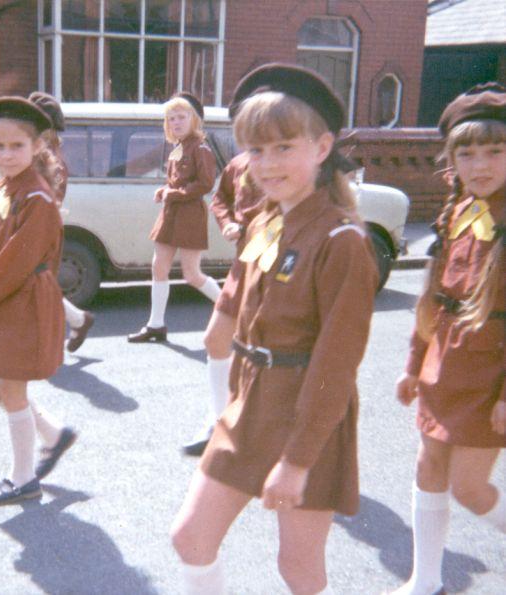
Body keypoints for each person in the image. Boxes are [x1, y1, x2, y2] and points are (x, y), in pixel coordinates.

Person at [170, 64, 379, 594]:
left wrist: (297, 459)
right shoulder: (267, 219)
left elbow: (336, 362)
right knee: (190, 537)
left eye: (285, 146)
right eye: (255, 151)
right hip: (250, 406)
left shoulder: (342, 242)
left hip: (307, 414)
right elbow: (241, 283)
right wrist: (221, 323)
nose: (267, 163)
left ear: (323, 146)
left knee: (298, 569)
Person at [389, 83, 506, 595]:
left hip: (491, 372)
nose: (479, 165)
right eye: (466, 152)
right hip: (445, 362)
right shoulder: (458, 211)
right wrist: (414, 363)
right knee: (428, 463)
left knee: (470, 487)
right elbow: (433, 297)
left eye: (495, 151)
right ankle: (426, 580)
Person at [0, 96, 77, 506]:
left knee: (11, 389)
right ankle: (52, 433)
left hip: (23, 301)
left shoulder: (37, 198)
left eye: (17, 146)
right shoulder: (2, 188)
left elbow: (16, 260)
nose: (8, 155)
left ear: (36, 147)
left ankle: (23, 478)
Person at [182, 152, 264, 455]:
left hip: (272, 260)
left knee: (267, 352)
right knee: (216, 339)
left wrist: (249, 231)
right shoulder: (240, 162)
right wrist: (228, 222)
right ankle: (220, 423)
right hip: (246, 261)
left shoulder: (286, 158)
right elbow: (221, 198)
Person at [127, 93, 221, 343]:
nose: (176, 122)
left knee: (191, 274)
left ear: (194, 120)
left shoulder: (200, 148)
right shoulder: (178, 148)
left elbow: (205, 184)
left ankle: (232, 310)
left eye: (182, 117)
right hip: (171, 213)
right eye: (171, 118)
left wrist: (174, 192)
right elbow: (178, 181)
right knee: (159, 267)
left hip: (189, 215)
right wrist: (164, 189)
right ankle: (155, 325)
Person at [28, 91, 95, 353]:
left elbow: (48, 200)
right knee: (38, 282)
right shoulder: (42, 152)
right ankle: (78, 321)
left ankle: (51, 337)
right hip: (38, 226)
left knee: (38, 282)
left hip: (42, 228)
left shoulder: (49, 160)